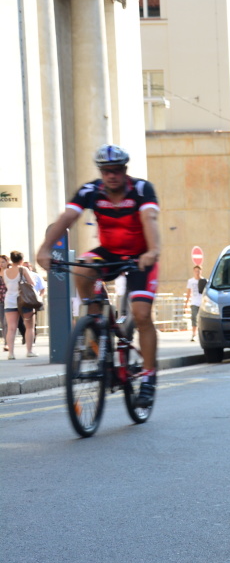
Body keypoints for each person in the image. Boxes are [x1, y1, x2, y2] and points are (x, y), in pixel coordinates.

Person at [36, 144, 161, 406]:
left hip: (141, 256)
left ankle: (148, 377)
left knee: (142, 315)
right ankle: (96, 318)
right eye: (106, 171)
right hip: (109, 252)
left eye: (116, 170)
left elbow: (149, 219)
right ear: (101, 172)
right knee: (81, 267)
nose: (111, 176)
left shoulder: (141, 189)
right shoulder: (90, 191)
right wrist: (45, 248)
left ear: (124, 171)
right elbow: (67, 218)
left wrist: (152, 251)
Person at [4, 252, 40, 359]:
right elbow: (32, 283)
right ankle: (29, 351)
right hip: (24, 300)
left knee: (11, 328)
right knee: (29, 327)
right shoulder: (23, 269)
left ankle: (11, 353)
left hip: (10, 300)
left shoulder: (5, 271)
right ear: (21, 260)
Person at [184, 264, 204, 341]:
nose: (197, 272)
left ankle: (201, 334)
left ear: (201, 271)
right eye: (196, 271)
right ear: (193, 271)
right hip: (194, 302)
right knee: (194, 318)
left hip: (202, 303)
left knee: (201, 319)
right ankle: (194, 334)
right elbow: (189, 292)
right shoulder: (190, 281)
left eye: (198, 271)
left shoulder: (204, 280)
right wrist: (186, 303)